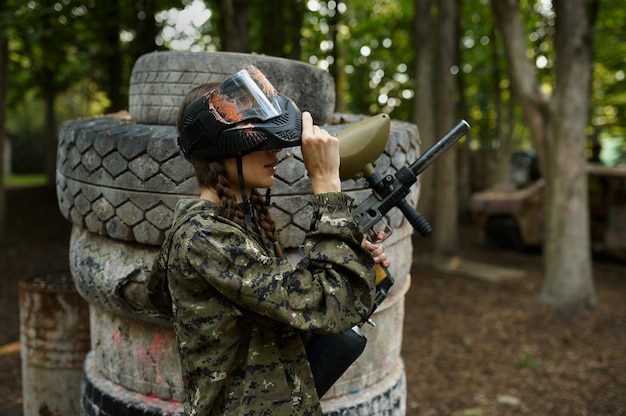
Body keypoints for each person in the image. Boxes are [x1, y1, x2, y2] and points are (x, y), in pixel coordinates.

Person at [147, 66, 390, 416]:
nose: (275, 152)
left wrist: (349, 253)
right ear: (223, 147)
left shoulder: (227, 226)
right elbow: (329, 306)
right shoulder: (205, 237)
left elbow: (280, 300)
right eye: (260, 140)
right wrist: (325, 184)